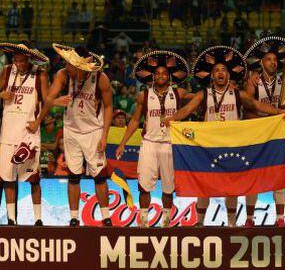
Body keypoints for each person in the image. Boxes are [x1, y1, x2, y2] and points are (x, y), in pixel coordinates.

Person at [167, 45, 285, 227]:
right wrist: (172, 118)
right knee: (204, 183)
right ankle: (200, 222)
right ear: (212, 75)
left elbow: (257, 105)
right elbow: (187, 109)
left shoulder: (237, 94)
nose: (220, 73)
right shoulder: (203, 94)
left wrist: (278, 111)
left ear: (228, 74)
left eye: (223, 70)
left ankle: (232, 223)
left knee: (232, 185)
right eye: (216, 70)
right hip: (208, 146)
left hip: (232, 145)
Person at [28, 44, 113, 227]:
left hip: (93, 131)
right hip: (71, 130)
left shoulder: (101, 78)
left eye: (71, 64)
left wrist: (105, 134)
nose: (67, 66)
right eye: (67, 63)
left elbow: (108, 106)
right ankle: (74, 218)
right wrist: (56, 101)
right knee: (73, 176)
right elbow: (49, 99)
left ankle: (106, 217)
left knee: (99, 176)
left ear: (81, 66)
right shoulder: (63, 75)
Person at [115, 50, 192, 228]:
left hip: (169, 144)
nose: (160, 76)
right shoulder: (144, 95)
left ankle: (166, 220)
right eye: (157, 73)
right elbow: (135, 120)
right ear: (152, 76)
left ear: (169, 76)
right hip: (149, 143)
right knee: (144, 185)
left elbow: (200, 98)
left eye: (164, 73)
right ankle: (143, 220)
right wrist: (122, 143)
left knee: (168, 186)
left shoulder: (179, 92)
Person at [0, 42, 50, 225]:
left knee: (34, 178)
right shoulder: (6, 70)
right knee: (8, 178)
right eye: (16, 60)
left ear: (29, 58)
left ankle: (38, 219)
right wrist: (1, 95)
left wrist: (38, 121)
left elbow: (48, 101)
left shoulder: (40, 74)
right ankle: (12, 219)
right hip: (7, 132)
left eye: (22, 61)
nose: (18, 64)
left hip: (29, 134)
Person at [243, 36, 285, 227]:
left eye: (274, 59)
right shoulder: (253, 81)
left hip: (278, 134)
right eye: (268, 59)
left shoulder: (283, 80)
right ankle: (249, 218)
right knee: (253, 175)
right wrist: (264, 123)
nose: (272, 62)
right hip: (257, 134)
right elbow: (247, 109)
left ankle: (280, 218)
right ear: (261, 62)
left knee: (280, 175)